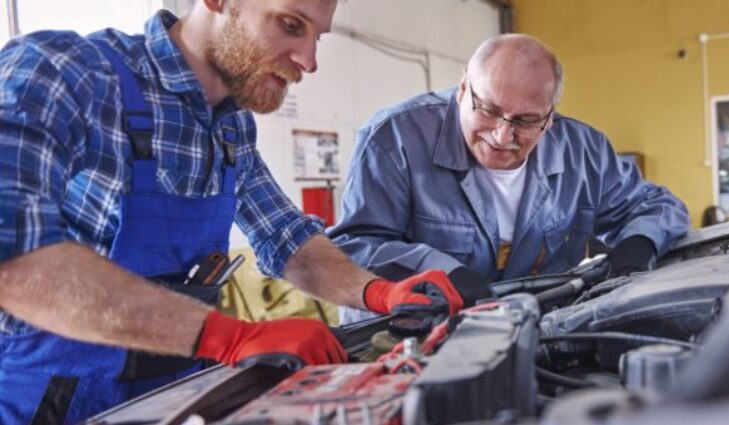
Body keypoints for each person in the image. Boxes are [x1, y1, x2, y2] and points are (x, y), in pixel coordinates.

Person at [0, 0, 464, 422]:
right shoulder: (65, 73)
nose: (309, 61)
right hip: (49, 404)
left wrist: (380, 291)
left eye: (316, 38)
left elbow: (286, 238)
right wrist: (230, 336)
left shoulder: (231, 126)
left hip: (178, 399)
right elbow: (13, 262)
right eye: (289, 25)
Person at [329, 34, 691, 323]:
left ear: (550, 117)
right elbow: (353, 248)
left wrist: (639, 244)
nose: (502, 136)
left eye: (526, 120)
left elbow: (659, 206)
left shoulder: (585, 152)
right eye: (488, 110)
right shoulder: (394, 138)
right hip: (411, 338)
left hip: (535, 333)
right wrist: (437, 269)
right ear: (462, 90)